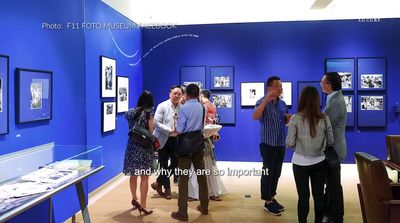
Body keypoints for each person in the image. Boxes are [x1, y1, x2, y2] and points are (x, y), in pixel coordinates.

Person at [286, 86, 334, 223]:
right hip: (320, 162)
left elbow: (289, 143)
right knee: (318, 196)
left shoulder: (295, 118)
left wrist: (300, 146)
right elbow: (331, 140)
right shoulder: (325, 118)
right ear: (317, 100)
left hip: (299, 163)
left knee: (303, 197)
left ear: (302, 99)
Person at [252, 76, 291, 216]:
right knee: (267, 172)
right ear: (269, 88)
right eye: (277, 86)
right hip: (267, 143)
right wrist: (266, 100)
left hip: (280, 143)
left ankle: (272, 197)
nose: (280, 89)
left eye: (281, 86)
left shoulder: (283, 103)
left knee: (277, 172)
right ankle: (267, 202)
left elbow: (284, 121)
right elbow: (255, 116)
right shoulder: (261, 101)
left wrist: (287, 119)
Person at [171, 84, 208, 221]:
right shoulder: (202, 107)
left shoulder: (184, 108)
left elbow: (180, 130)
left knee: (183, 179)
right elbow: (202, 127)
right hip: (198, 146)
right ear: (198, 94)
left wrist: (175, 121)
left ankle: (182, 212)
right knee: (202, 177)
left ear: (186, 94)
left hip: (185, 148)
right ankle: (204, 206)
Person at [188, 89, 227, 201]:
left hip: (201, 138)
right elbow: (214, 121)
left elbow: (205, 123)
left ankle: (201, 193)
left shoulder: (204, 106)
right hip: (207, 137)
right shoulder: (211, 106)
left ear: (200, 96)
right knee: (209, 163)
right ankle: (210, 191)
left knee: (202, 164)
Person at [122, 90, 155, 215]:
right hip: (144, 148)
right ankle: (143, 205)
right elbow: (151, 131)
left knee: (133, 175)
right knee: (145, 177)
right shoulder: (149, 114)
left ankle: (134, 198)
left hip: (131, 147)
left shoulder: (130, 112)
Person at [321, 72, 347, 223]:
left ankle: (336, 217)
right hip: (332, 148)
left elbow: (324, 123)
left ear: (329, 85)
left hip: (334, 150)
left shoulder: (336, 102)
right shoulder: (333, 98)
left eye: (322, 81)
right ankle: (329, 212)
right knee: (330, 183)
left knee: (334, 184)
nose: (321, 84)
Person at [151, 85, 183, 199]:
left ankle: (158, 182)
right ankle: (167, 189)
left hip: (176, 139)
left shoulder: (182, 107)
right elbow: (156, 123)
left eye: (179, 94)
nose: (177, 96)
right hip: (162, 139)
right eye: (175, 93)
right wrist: (169, 130)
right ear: (169, 94)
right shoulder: (162, 106)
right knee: (163, 164)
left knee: (175, 163)